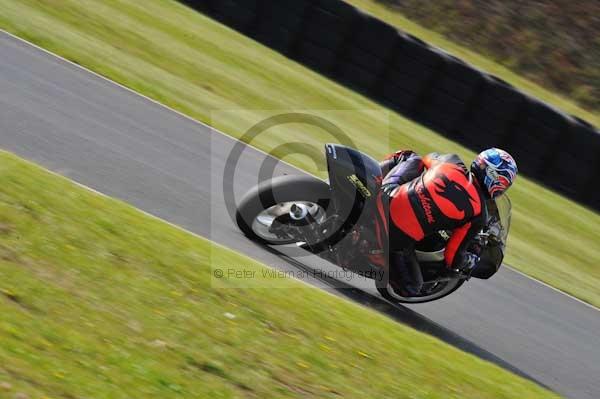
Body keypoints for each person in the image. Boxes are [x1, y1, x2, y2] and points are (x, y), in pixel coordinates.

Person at [379, 148, 518, 296]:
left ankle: (375, 176)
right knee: (412, 287)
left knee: (412, 157)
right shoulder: (478, 215)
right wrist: (468, 261)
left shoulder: (451, 161)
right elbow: (452, 256)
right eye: (505, 184)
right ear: (497, 180)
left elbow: (427, 158)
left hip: (387, 193)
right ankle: (375, 259)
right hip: (393, 236)